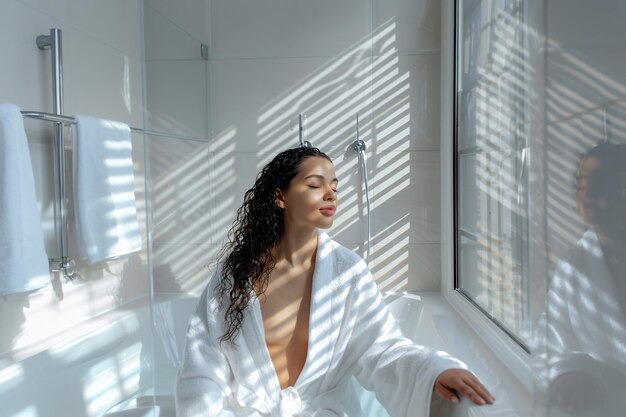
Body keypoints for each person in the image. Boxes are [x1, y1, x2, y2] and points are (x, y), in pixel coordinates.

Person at [175, 147, 495, 417]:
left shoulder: (346, 272)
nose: (331, 194)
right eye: (315, 185)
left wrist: (432, 371)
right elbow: (204, 370)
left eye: (335, 187)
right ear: (281, 197)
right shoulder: (235, 274)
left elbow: (382, 348)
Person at [537, 141, 626, 415]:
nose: (587, 195)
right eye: (581, 186)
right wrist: (568, 368)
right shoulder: (576, 263)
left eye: (600, 183)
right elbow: (552, 330)